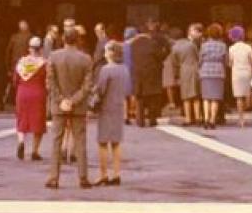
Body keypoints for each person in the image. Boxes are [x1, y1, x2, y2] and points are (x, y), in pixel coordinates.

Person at [45, 29, 93, 190]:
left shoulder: (53, 56)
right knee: (80, 141)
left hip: (59, 105)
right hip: (78, 106)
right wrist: (73, 100)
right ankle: (83, 177)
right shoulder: (86, 59)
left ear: (63, 39)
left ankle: (53, 177)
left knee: (56, 141)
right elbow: (87, 86)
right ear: (78, 40)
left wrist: (61, 100)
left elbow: (51, 82)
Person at [92, 41, 130, 186]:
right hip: (119, 106)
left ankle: (103, 174)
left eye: (107, 50)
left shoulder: (106, 70)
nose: (105, 53)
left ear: (112, 53)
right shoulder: (124, 69)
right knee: (116, 142)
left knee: (102, 142)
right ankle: (116, 173)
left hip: (106, 108)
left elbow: (100, 90)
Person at [14, 36, 47, 161]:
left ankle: (21, 141)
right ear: (41, 49)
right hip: (38, 93)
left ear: (29, 48)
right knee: (38, 121)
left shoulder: (21, 62)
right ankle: (35, 151)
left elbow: (15, 80)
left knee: (22, 118)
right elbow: (46, 80)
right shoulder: (43, 63)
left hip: (22, 92)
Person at [129, 21, 167, 128]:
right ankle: (152, 119)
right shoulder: (152, 43)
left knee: (139, 98)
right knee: (152, 97)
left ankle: (140, 120)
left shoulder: (133, 44)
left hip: (137, 73)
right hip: (151, 73)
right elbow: (160, 56)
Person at [198, 24, 228, 130]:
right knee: (215, 97)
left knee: (206, 97)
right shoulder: (223, 46)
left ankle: (206, 119)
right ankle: (212, 120)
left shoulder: (204, 45)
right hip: (218, 71)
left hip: (206, 70)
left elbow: (200, 59)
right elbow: (226, 60)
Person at [170, 25, 201, 126]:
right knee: (196, 95)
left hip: (183, 70)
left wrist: (176, 75)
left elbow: (174, 62)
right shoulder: (191, 45)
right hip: (194, 69)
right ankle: (198, 117)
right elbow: (197, 57)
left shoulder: (174, 47)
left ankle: (188, 118)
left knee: (186, 97)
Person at [228, 26, 252, 128]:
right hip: (247, 72)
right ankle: (248, 108)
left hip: (236, 73)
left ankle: (241, 119)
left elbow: (230, 63)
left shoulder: (232, 49)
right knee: (247, 94)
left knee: (239, 97)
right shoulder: (248, 47)